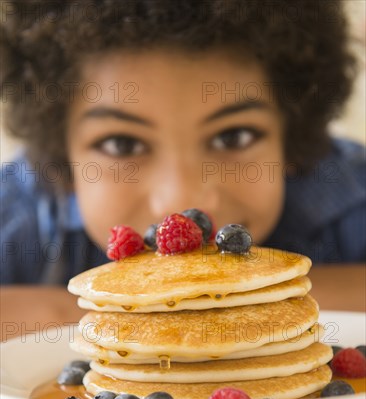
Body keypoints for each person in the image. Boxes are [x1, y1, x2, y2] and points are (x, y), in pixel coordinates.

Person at [0, 0, 365, 340]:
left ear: (292, 138)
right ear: (63, 156)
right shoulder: (14, 218)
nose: (181, 199)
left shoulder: (352, 195)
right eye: (122, 145)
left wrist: (102, 311)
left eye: (233, 137)